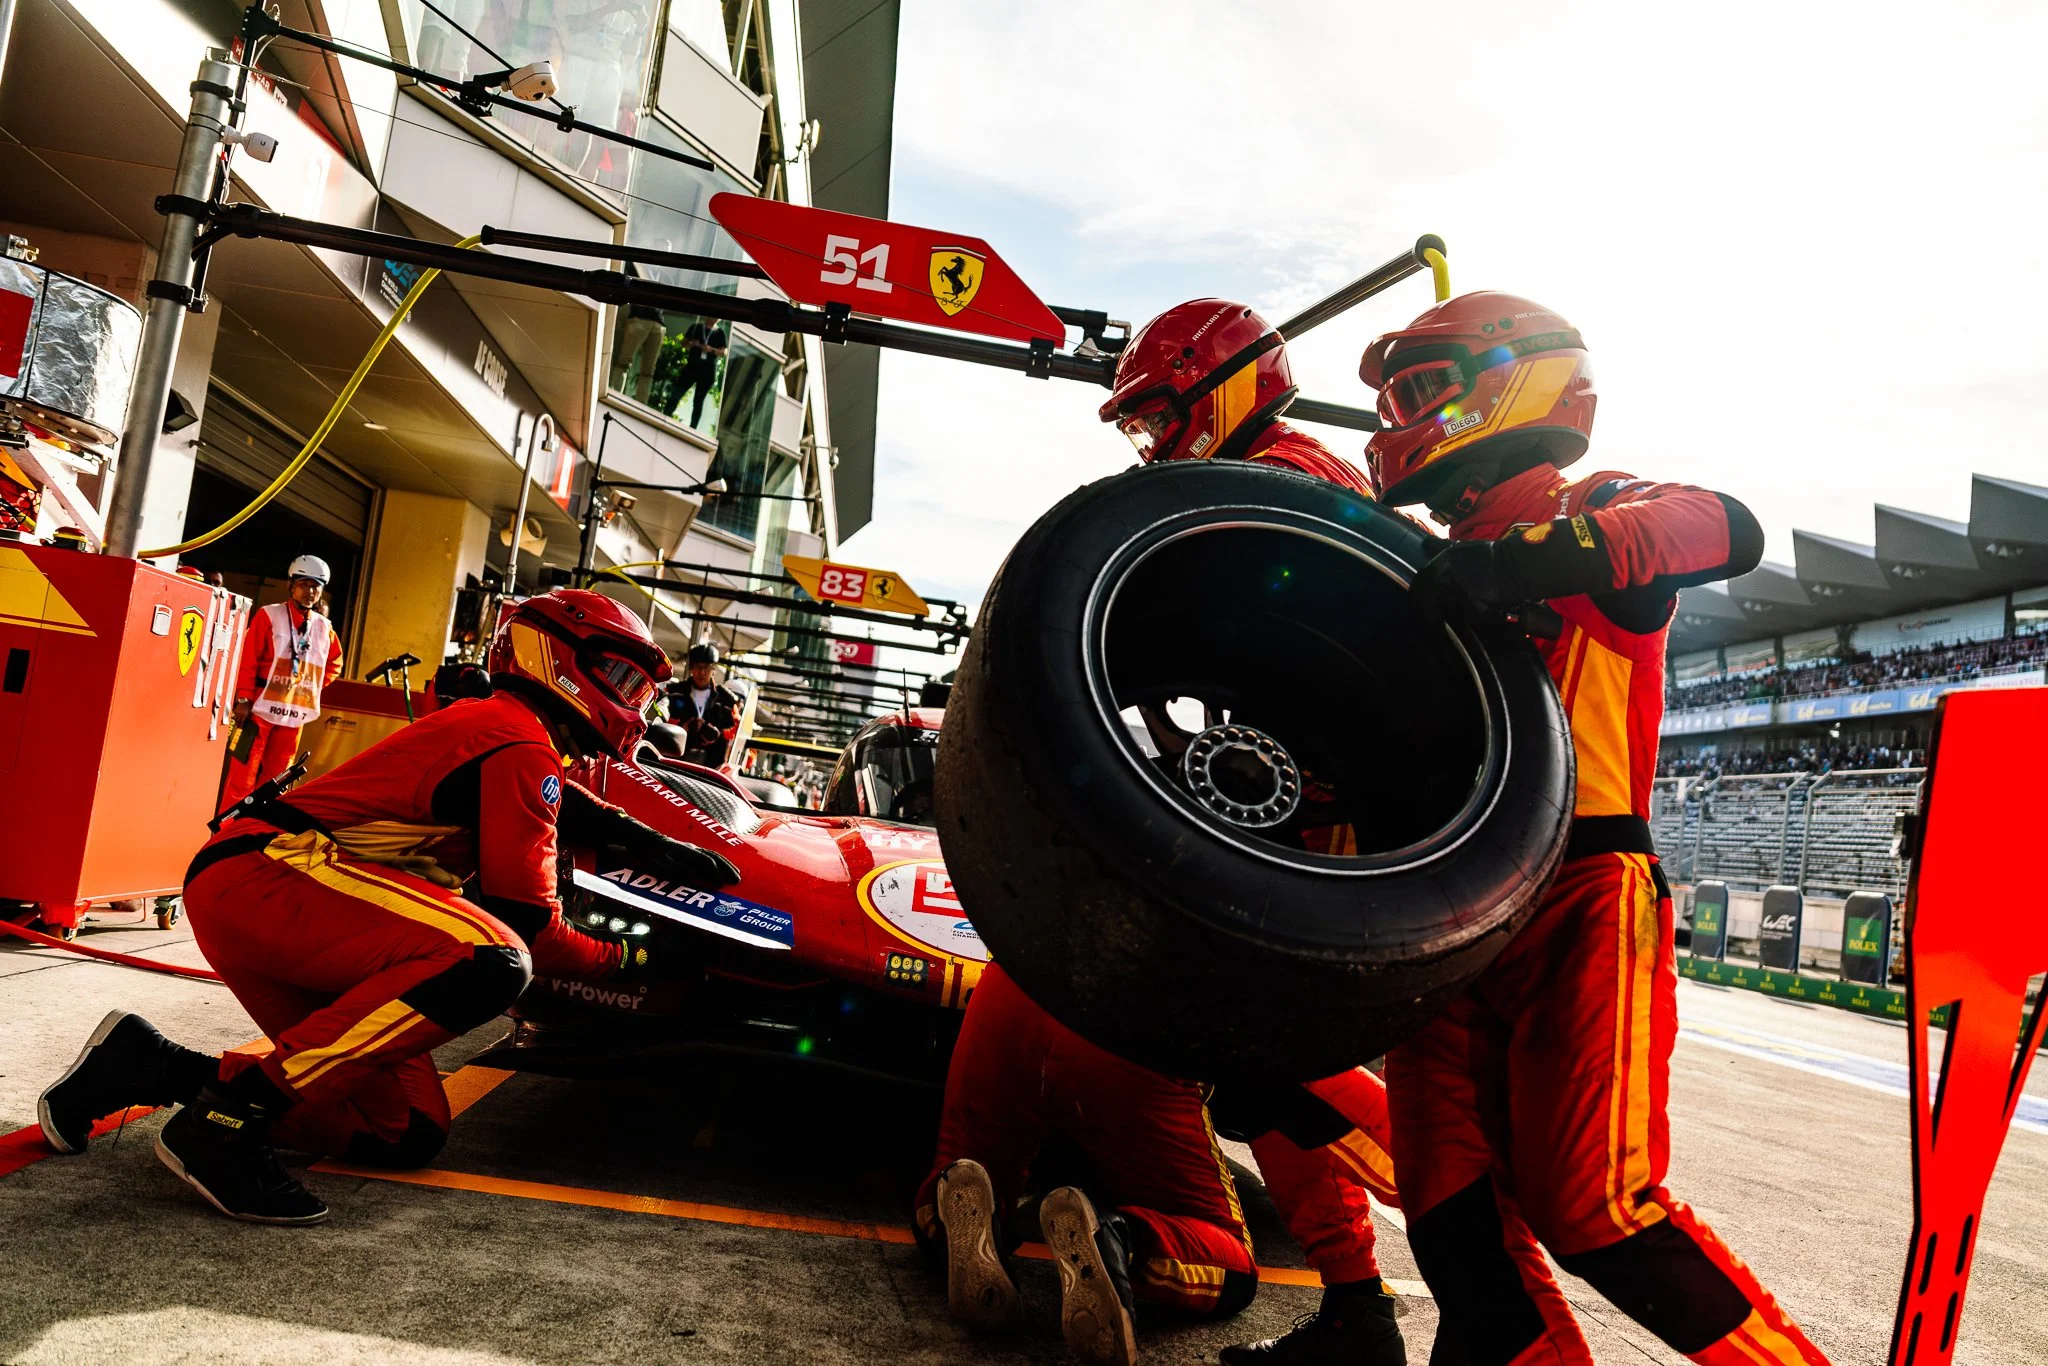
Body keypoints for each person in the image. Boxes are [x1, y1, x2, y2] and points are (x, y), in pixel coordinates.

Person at [1359, 292, 1827, 1365]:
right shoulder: (1404, 558)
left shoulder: (1597, 503)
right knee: (1452, 1225)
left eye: (1418, 390)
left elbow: (1728, 526)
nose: (1396, 419)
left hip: (1580, 891)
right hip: (1439, 915)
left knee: (1596, 1208)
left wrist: (1519, 560)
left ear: (1509, 377)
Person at [36, 590, 741, 1224]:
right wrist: (640, 957)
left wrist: (655, 844)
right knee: (494, 959)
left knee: (401, 1131)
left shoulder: (510, 732)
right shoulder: (517, 739)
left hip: (281, 894)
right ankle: (224, 1124)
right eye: (622, 680)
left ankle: (147, 1064)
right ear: (557, 660)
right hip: (273, 877)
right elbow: (530, 929)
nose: (634, 703)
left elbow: (565, 804)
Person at [915, 963, 1258, 1366]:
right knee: (1236, 1268)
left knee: (964, 1165)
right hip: (1128, 1025)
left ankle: (947, 1221)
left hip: (1012, 983)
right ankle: (1120, 1240)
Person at [1098, 297, 1373, 494]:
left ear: (1206, 389)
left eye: (1157, 423)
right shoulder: (1305, 460)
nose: (1153, 450)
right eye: (1142, 433)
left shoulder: (1266, 479)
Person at [219, 555, 346, 817]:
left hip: (293, 713)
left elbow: (335, 662)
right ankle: (226, 832)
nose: (310, 591)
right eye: (304, 584)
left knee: (277, 778)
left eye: (316, 587)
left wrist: (311, 687)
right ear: (291, 585)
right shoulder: (269, 615)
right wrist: (243, 700)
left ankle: (260, 830)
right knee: (241, 776)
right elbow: (248, 659)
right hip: (255, 710)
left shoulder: (325, 628)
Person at [665, 641, 742, 766]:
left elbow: (736, 733)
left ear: (713, 669)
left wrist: (715, 733)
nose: (701, 672)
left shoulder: (727, 700)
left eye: (706, 668)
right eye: (697, 667)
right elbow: (659, 717)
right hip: (674, 759)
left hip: (712, 765)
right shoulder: (673, 692)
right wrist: (680, 727)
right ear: (691, 668)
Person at [679, 319, 728, 428]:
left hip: (707, 370)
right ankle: (667, 415)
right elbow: (683, 343)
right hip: (692, 366)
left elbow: (724, 352)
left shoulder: (720, 333)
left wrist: (711, 350)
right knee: (678, 391)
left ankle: (693, 427)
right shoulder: (696, 327)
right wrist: (692, 344)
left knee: (698, 401)